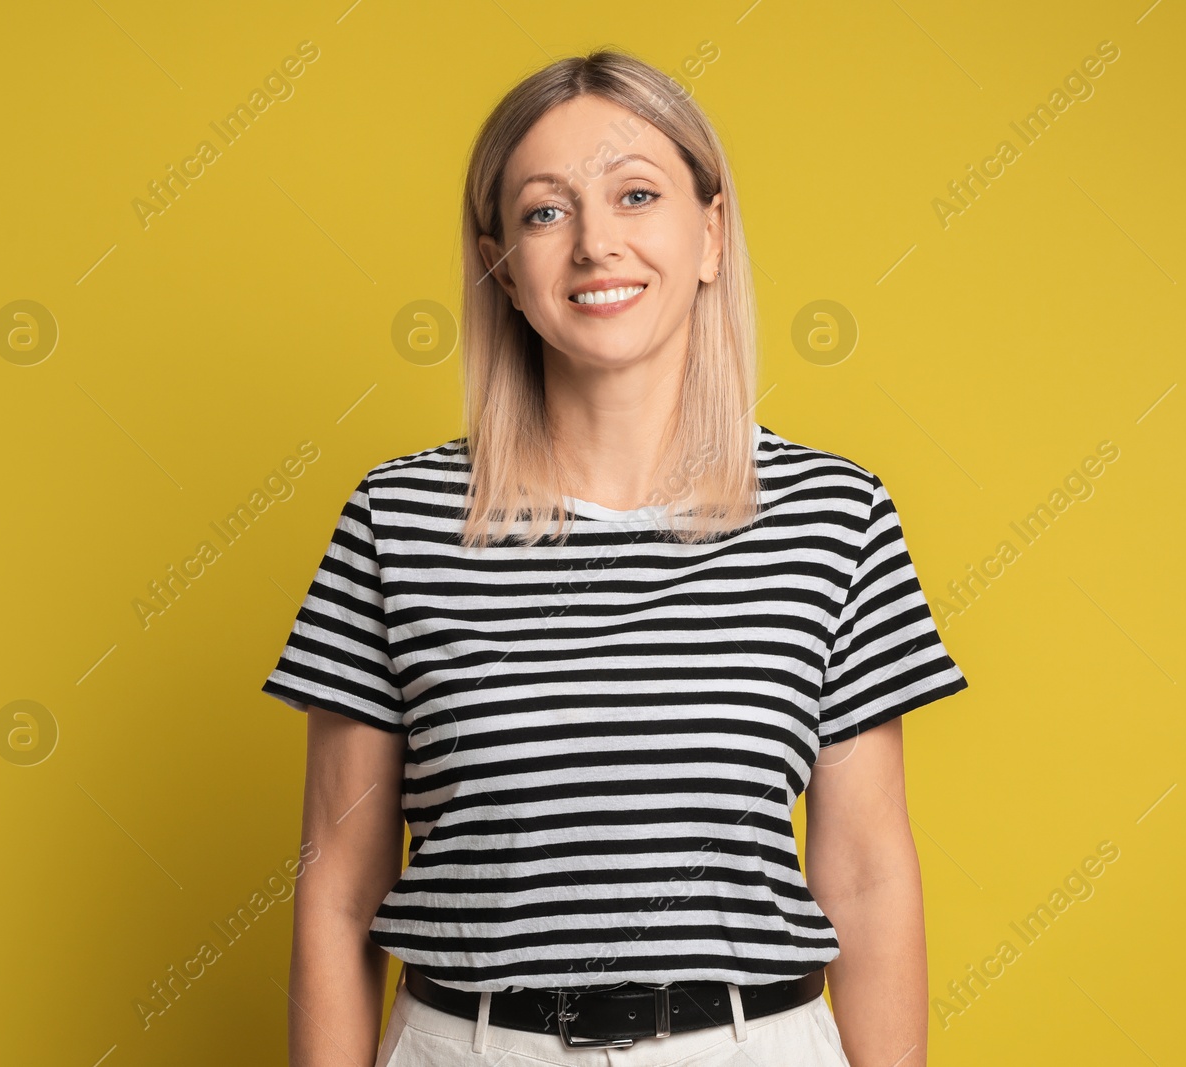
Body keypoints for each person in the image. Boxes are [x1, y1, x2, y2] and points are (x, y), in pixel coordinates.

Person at [262, 48, 969, 1067]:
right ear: (499, 261)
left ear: (711, 233)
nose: (597, 243)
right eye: (546, 212)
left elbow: (864, 869)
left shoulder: (834, 513)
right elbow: (337, 885)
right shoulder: (398, 518)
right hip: (469, 1044)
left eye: (636, 195)